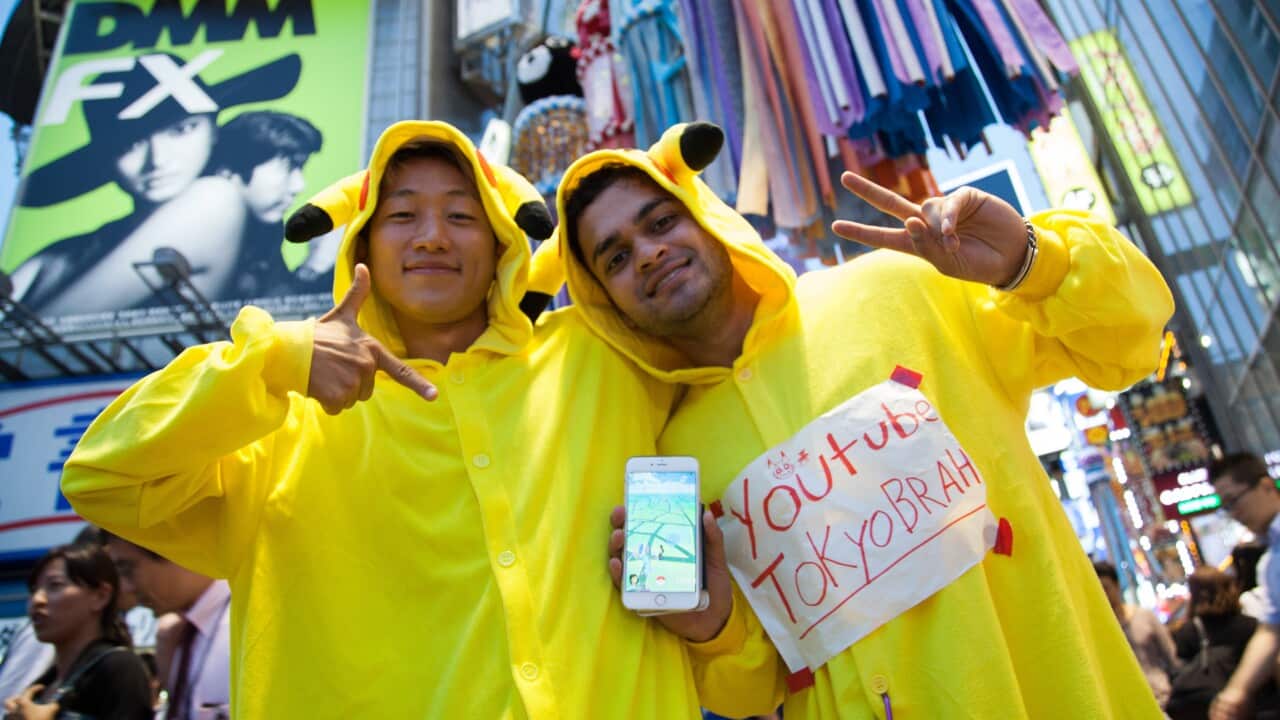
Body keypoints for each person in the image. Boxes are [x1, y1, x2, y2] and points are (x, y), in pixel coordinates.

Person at [61, 121, 758, 717]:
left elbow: (740, 346)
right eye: (401, 216)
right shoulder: (278, 416)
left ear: (502, 251)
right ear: (360, 246)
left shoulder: (599, 356)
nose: (431, 237)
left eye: (461, 215)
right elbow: (102, 476)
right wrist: (275, 359)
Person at [553, 122, 1175, 717]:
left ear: (709, 217)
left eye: (661, 221)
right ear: (607, 306)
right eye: (614, 258)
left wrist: (1029, 261)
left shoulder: (897, 289)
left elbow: (1127, 344)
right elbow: (756, 689)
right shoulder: (672, 457)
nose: (648, 253)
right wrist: (710, 627)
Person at [11, 53, 301, 314]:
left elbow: (46, 334)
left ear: (213, 131)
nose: (158, 160)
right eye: (131, 143)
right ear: (107, 158)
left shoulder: (215, 199)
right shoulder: (66, 253)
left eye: (181, 129)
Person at [3, 544, 152, 719]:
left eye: (55, 585)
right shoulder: (44, 684)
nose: (37, 600)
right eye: (34, 590)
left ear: (100, 596)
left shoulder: (120, 668)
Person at [100, 532, 230, 720]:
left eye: (128, 569)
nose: (127, 588)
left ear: (170, 551)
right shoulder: (178, 636)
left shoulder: (244, 628)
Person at [210, 110, 327, 298]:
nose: (299, 186)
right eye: (288, 168)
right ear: (230, 172)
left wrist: (316, 265)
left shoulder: (267, 228)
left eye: (300, 169)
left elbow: (276, 303)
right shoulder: (199, 222)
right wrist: (315, 266)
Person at [1209, 453, 1280, 719]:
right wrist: (1235, 692)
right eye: (1226, 507)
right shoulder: (1270, 563)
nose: (1235, 514)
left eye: (1234, 501)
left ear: (1265, 486)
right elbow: (1272, 630)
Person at [1168, 565, 1276, 719]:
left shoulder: (1187, 631)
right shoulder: (1251, 626)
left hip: (1208, 708)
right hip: (1254, 706)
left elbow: (1180, 668)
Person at [1093, 560, 1178, 706]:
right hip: (1128, 705)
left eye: (1106, 588)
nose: (1103, 595)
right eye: (1097, 590)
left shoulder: (1144, 616)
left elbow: (1171, 656)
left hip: (1162, 697)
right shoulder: (1098, 631)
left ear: (1117, 586)